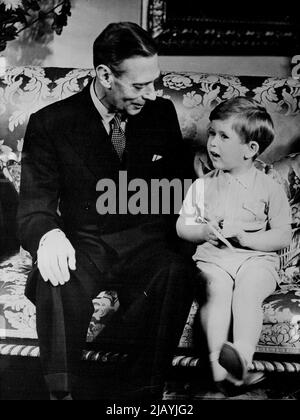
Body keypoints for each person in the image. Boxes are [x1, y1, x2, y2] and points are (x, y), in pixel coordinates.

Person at [18, 22, 195, 400]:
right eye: (139, 85)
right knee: (54, 276)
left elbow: (180, 191)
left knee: (177, 272)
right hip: (88, 244)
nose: (151, 94)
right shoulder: (51, 123)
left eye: (155, 82)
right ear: (104, 75)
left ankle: (142, 395)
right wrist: (49, 235)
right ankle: (62, 394)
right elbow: (34, 206)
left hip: (148, 245)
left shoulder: (161, 114)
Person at [176, 97, 292, 391]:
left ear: (250, 150)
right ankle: (218, 366)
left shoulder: (269, 186)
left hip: (256, 260)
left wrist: (249, 239)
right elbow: (182, 225)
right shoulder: (202, 185)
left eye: (223, 136)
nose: (212, 142)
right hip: (215, 258)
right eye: (212, 133)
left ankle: (240, 355)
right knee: (215, 292)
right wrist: (203, 233)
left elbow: (282, 235)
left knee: (248, 291)